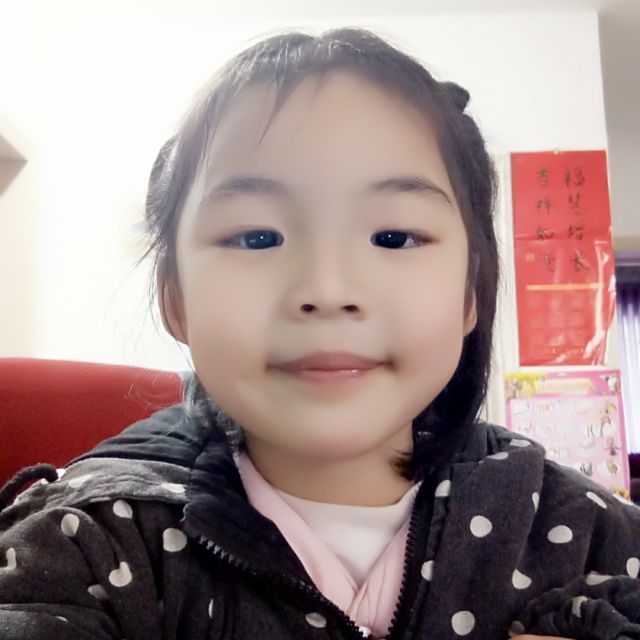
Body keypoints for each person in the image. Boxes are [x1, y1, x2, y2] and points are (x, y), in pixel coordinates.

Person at [0, 28, 638, 640]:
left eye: (394, 237)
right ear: (176, 298)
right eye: (257, 237)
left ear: (470, 293)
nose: (328, 290)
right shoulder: (84, 545)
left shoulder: (589, 535)